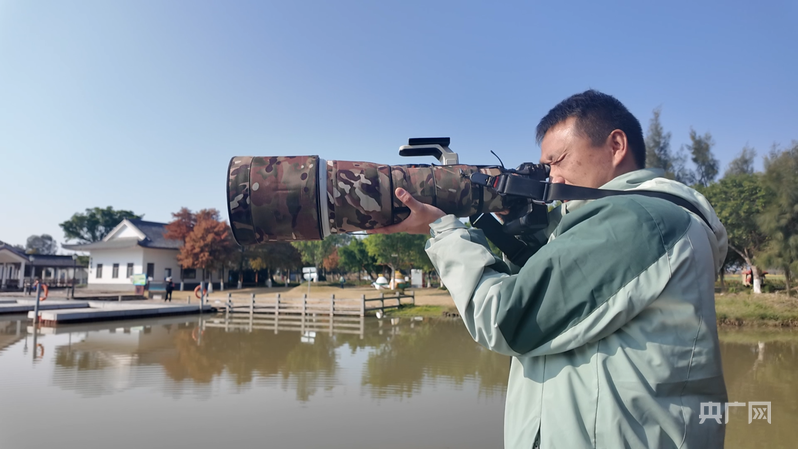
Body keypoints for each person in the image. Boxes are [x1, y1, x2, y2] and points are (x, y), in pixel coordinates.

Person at [372, 90, 728, 448]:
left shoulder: (640, 218)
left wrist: (446, 232)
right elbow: (552, 291)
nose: (552, 178)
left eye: (557, 160)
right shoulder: (616, 220)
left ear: (616, 145)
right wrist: (519, 230)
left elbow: (506, 317)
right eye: (546, 168)